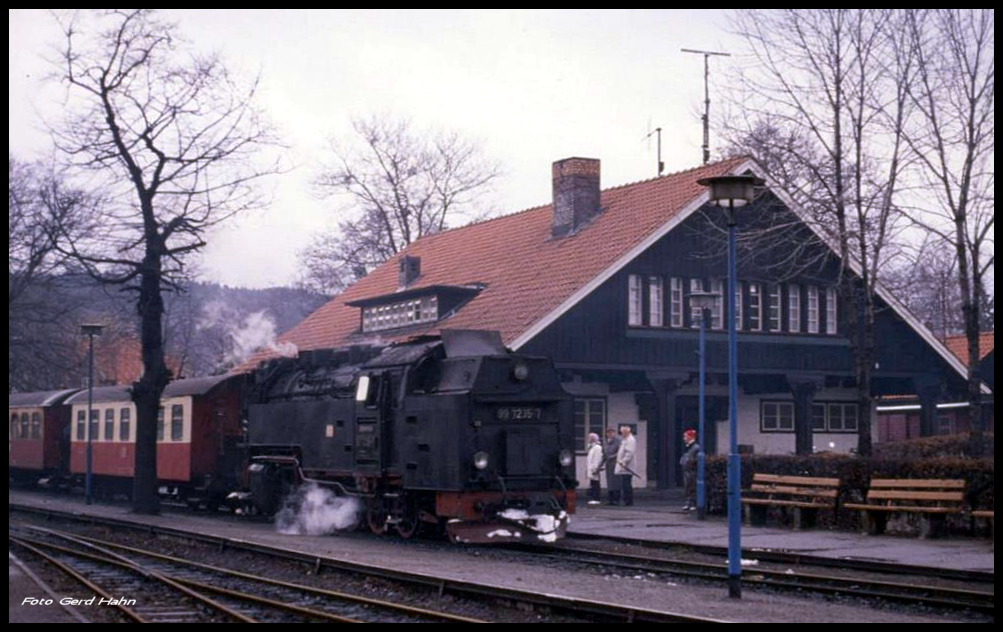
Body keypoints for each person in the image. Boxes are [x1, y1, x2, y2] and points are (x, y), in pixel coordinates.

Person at [680, 428, 702, 511]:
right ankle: (688, 502)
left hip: (692, 470)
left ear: (690, 437)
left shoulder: (696, 447)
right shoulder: (689, 447)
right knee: (687, 487)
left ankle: (693, 503)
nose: (684, 438)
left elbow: (694, 459)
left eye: (685, 436)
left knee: (692, 486)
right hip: (687, 470)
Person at [615, 425, 637, 507]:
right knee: (625, 484)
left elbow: (629, 453)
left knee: (627, 484)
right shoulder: (625, 440)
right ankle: (626, 500)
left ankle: (628, 501)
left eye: (623, 432)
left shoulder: (630, 440)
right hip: (624, 466)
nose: (622, 434)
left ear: (627, 432)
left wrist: (624, 462)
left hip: (627, 466)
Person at [603, 428, 621, 505]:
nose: (609, 434)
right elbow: (604, 452)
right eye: (608, 433)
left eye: (611, 433)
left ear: (614, 433)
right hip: (608, 464)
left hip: (615, 464)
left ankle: (617, 499)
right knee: (609, 482)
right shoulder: (606, 442)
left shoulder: (618, 441)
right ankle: (610, 500)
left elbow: (620, 453)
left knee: (616, 482)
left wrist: (612, 456)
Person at [585, 433, 603, 505]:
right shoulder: (591, 447)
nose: (588, 439)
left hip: (594, 469)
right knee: (593, 483)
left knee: (596, 483)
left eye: (590, 438)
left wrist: (595, 469)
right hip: (591, 468)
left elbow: (597, 459)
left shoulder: (597, 447)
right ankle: (593, 498)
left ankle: (596, 498)